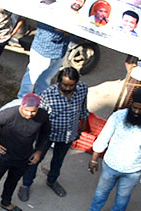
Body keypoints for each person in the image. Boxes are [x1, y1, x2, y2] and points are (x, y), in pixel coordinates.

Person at [77, 91, 141, 211]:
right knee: (101, 191)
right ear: (131, 104)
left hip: (133, 169)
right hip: (111, 164)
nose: (137, 112)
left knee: (123, 196)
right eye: (135, 108)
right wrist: (94, 159)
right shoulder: (118, 116)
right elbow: (103, 138)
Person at [20, 67, 89, 200]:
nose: (68, 88)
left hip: (69, 134)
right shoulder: (47, 95)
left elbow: (83, 107)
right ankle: (26, 184)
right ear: (58, 82)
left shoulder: (82, 89)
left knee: (58, 160)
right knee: (35, 159)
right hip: (48, 135)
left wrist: (83, 124)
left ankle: (52, 180)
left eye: (71, 85)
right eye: (65, 85)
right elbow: (39, 118)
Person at [18, 22, 72, 97]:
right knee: (31, 78)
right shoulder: (49, 14)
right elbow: (50, 35)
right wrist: (66, 30)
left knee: (46, 79)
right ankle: (22, 100)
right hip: (44, 51)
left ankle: (41, 99)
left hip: (61, 51)